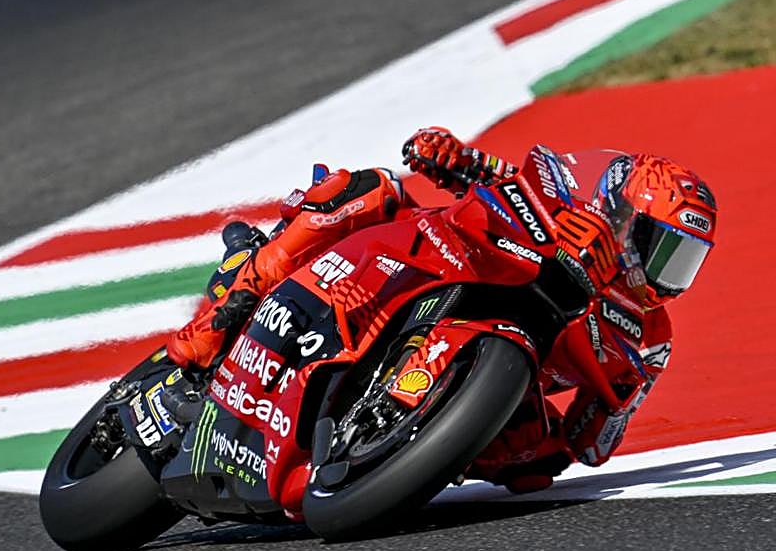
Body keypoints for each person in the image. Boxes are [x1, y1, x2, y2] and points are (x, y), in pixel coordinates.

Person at [166, 127, 718, 494]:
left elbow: (593, 446)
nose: (665, 274)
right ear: (623, 216)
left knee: (535, 465)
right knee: (366, 190)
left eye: (684, 260)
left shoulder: (650, 338)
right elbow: (515, 184)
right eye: (660, 247)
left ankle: (397, 446)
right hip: (440, 265)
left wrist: (615, 404)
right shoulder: (572, 210)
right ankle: (213, 329)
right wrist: (458, 158)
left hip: (496, 379)